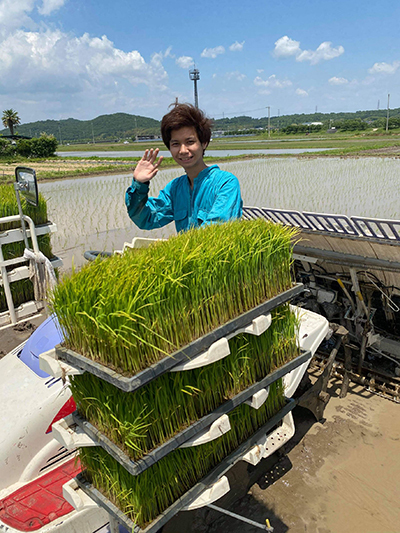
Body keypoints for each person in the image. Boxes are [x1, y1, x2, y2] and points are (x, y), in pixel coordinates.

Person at [125, 103, 242, 233]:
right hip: (186, 252)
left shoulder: (225, 183)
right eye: (175, 144)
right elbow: (146, 218)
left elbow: (216, 230)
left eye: (190, 142)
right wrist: (139, 184)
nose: (183, 150)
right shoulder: (175, 188)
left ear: (204, 143)